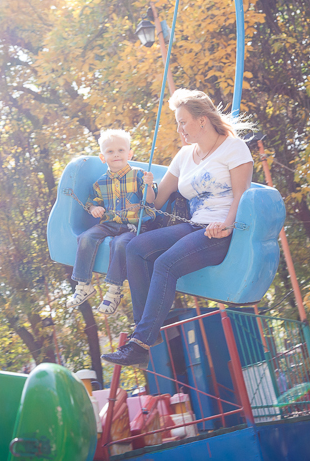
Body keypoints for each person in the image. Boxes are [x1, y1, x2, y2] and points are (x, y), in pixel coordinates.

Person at [101, 89, 254, 367]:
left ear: (202, 120)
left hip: (218, 232)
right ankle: (144, 336)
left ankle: (140, 342)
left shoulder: (234, 148)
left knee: (165, 264)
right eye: (177, 123)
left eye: (183, 122)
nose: (179, 129)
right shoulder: (184, 156)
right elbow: (157, 201)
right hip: (192, 226)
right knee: (135, 248)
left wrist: (226, 225)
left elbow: (241, 194)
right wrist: (143, 187)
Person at [67, 129, 155, 315]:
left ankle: (114, 291)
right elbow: (92, 203)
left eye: (121, 150)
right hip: (109, 223)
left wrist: (148, 185)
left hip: (133, 226)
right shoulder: (100, 182)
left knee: (120, 244)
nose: (116, 154)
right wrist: (94, 209)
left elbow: (150, 200)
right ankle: (83, 285)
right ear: (102, 157)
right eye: (110, 151)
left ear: (129, 154)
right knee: (86, 237)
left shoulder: (139, 175)